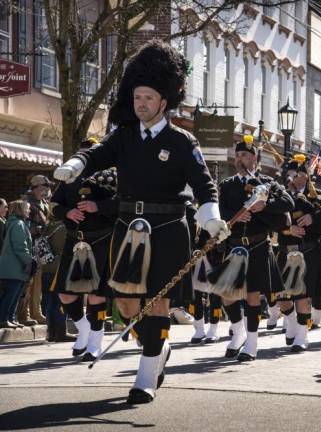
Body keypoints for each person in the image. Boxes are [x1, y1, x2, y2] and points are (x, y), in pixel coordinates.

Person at [54, 40, 229, 404]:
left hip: (168, 229)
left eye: (148, 98)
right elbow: (97, 153)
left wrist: (210, 215)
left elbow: (203, 183)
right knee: (129, 305)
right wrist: (76, 164)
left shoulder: (183, 141)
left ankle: (146, 374)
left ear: (164, 100)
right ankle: (156, 347)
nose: (142, 105)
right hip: (128, 229)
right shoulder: (125, 136)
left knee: (158, 302)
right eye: (137, 99)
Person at [217, 136, 293, 361]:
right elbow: (221, 211)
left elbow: (288, 203)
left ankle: (252, 343)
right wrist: (236, 217)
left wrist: (264, 206)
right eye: (238, 155)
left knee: (252, 296)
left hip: (258, 244)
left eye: (245, 155)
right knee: (227, 296)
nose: (240, 159)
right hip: (234, 246)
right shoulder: (227, 185)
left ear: (254, 159)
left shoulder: (267, 183)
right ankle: (238, 331)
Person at [50, 138, 119, 360]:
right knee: (64, 293)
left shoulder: (111, 175)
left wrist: (97, 206)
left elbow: (123, 203)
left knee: (96, 295)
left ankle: (95, 344)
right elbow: (54, 205)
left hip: (101, 240)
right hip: (74, 240)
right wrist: (67, 213)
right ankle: (84, 329)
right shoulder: (69, 176)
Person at [275, 154, 321, 352]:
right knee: (283, 299)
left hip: (308, 251)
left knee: (303, 295)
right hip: (285, 251)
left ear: (305, 176)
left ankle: (302, 336)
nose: (294, 177)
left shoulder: (315, 195)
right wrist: (287, 230)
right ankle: (292, 322)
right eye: (291, 173)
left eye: (298, 173)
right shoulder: (279, 196)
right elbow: (268, 218)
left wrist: (313, 217)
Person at [16, 175, 54, 326]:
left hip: (41, 247)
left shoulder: (44, 202)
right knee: (28, 283)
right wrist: (40, 229)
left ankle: (36, 312)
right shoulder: (26, 203)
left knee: (37, 283)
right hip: (30, 246)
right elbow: (23, 227)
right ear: (36, 187)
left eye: (48, 187)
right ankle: (23, 315)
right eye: (44, 187)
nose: (47, 190)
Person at [0, 200, 33, 328]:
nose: (29, 211)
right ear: (20, 209)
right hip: (14, 267)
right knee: (11, 294)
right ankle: (3, 319)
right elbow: (20, 246)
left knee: (15, 294)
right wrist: (29, 261)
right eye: (27, 208)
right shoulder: (18, 224)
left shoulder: (16, 223)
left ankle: (10, 318)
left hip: (14, 267)